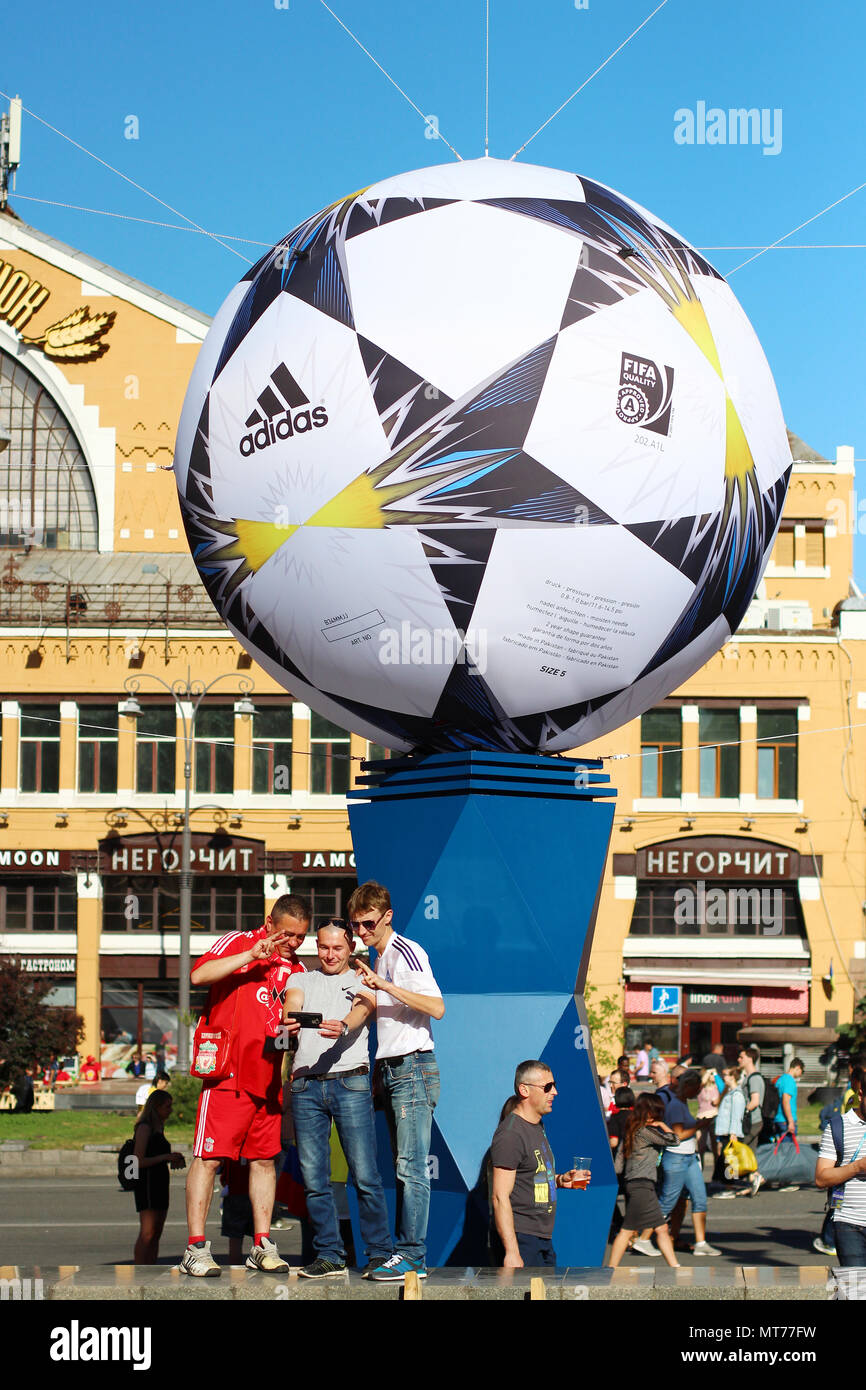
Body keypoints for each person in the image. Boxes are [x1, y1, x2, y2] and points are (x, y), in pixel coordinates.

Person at [179, 893, 310, 1277]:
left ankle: (262, 1243)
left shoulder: (297, 968)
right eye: (288, 934)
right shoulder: (238, 941)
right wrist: (252, 955)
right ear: (269, 923)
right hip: (227, 1074)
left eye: (300, 936)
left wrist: (294, 1030)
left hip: (268, 1081)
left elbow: (285, 1023)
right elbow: (198, 975)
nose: (293, 943)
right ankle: (195, 1248)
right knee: (209, 1158)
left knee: (265, 1160)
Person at [282, 920, 394, 1279]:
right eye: (323, 948)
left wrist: (344, 1024)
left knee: (365, 1174)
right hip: (306, 1087)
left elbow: (364, 1008)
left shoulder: (364, 977)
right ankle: (329, 1254)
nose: (329, 955)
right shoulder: (301, 979)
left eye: (338, 948)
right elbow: (292, 1005)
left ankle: (379, 1254)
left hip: (351, 1083)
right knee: (315, 1179)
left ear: (350, 949)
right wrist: (291, 1020)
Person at [349, 881, 445, 1282]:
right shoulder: (380, 956)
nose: (361, 933)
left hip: (413, 1069)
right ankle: (405, 1255)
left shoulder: (406, 952)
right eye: (356, 926)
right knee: (403, 1167)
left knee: (411, 1168)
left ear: (387, 916)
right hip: (393, 1069)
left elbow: (437, 1007)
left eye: (368, 924)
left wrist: (385, 985)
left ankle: (413, 1257)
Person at [490, 1060, 589, 1268]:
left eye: (553, 1085)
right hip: (522, 1237)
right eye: (547, 1087)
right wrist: (512, 1252)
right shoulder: (511, 1134)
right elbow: (500, 1196)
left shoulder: (536, 1126)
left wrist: (561, 1180)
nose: (555, 1092)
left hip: (541, 1237)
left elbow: (529, 1177)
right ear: (524, 1090)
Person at [643, 1063, 720, 1257]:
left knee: (699, 1198)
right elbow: (677, 1135)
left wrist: (698, 1123)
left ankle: (701, 1242)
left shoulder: (681, 1103)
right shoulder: (676, 1105)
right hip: (676, 1157)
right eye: (696, 1089)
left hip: (688, 1157)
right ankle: (643, 1238)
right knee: (668, 1201)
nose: (698, 1093)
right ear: (687, 1087)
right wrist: (700, 1125)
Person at [607, 1094, 680, 1269]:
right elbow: (674, 1140)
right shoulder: (646, 1132)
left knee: (661, 1228)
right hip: (642, 1184)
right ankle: (611, 1268)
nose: (657, 1117)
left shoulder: (632, 1130)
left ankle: (675, 1266)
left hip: (637, 1183)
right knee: (627, 1230)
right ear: (649, 1113)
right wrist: (662, 1125)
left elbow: (619, 1160)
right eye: (656, 1113)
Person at [816, 1068, 866, 1266]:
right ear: (861, 1093)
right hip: (849, 1224)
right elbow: (821, 1178)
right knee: (857, 1291)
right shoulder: (839, 1126)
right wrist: (857, 1167)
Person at [132, 1090, 186, 1263]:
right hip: (147, 1182)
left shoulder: (159, 1127)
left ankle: (150, 1265)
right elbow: (137, 1161)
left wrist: (172, 1158)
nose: (170, 1110)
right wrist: (165, 1157)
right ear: (156, 1107)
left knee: (157, 1231)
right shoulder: (144, 1127)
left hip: (160, 1181)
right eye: (167, 1106)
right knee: (147, 1232)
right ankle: (140, 1268)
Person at [712, 1066, 747, 1187]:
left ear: (733, 1077)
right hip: (725, 1132)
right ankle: (725, 1184)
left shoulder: (737, 1095)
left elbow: (736, 1115)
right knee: (726, 1159)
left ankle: (729, 1187)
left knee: (730, 1162)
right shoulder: (729, 1093)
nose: (724, 1077)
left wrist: (733, 1133)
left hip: (731, 1133)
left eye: (726, 1075)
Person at [737, 1046, 767, 1148]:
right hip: (751, 1121)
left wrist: (742, 1113)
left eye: (742, 1057)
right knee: (748, 1152)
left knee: (739, 1149)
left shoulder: (754, 1078)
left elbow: (755, 1101)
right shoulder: (749, 1077)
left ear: (750, 1059)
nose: (739, 1060)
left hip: (752, 1122)